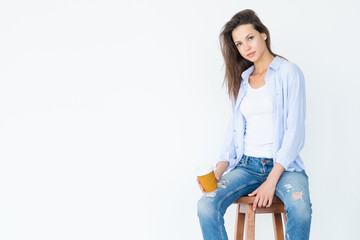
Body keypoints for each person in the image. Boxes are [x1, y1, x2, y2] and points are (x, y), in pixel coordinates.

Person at [196, 9, 312, 240]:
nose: (246, 47)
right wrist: (219, 169)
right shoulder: (242, 81)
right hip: (246, 166)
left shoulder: (289, 72)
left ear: (263, 35)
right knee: (206, 205)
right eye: (239, 44)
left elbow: (295, 131)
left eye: (250, 38)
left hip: (284, 168)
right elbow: (235, 130)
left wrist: (271, 181)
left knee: (301, 212)